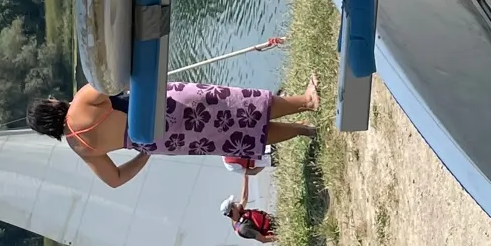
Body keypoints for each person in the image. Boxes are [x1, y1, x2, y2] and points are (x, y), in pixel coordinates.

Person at [28, 77, 321, 189]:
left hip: (160, 140)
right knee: (238, 106)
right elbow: (112, 77)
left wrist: (144, 154)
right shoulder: (80, 101)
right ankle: (306, 101)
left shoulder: (79, 148)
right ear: (50, 106)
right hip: (164, 106)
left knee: (232, 136)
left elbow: (115, 179)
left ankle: (303, 130)